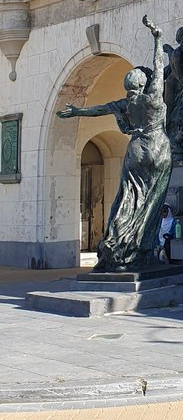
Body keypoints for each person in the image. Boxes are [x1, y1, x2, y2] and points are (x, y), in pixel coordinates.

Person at [57, 15, 172, 272]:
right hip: (159, 149)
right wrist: (158, 38)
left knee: (128, 197)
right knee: (152, 201)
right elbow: (159, 65)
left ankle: (116, 243)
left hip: (136, 149)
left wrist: (75, 111)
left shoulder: (125, 103)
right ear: (143, 83)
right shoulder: (153, 96)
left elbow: (97, 110)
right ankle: (141, 249)